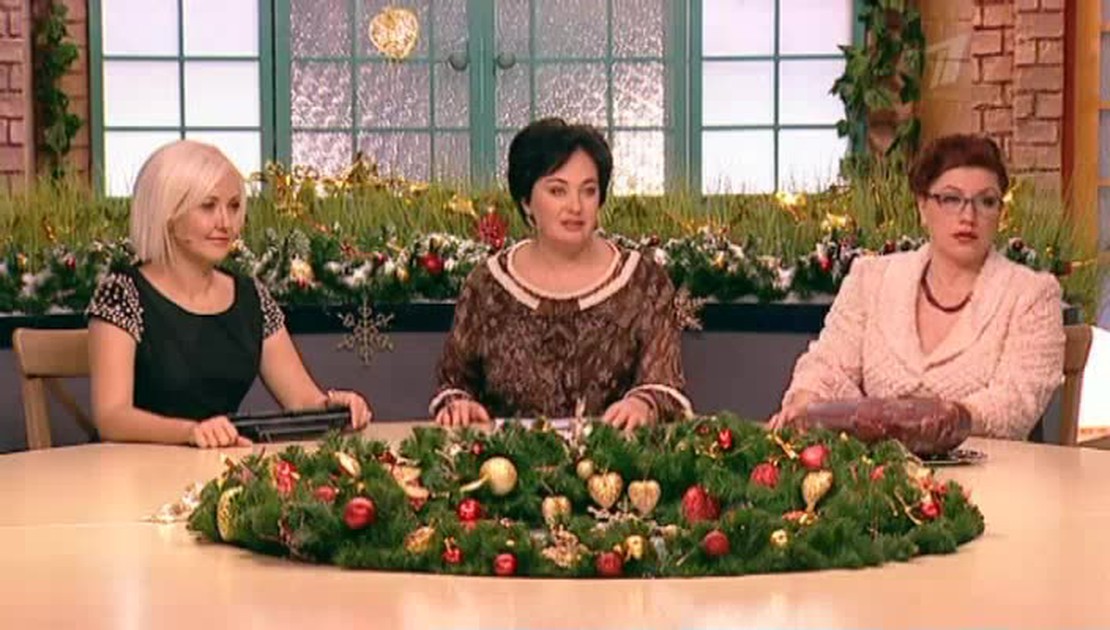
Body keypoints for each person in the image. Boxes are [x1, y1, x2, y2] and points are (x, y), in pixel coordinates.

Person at [770, 134, 1064, 440]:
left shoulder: (1032, 295)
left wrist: (945, 420)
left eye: (986, 201)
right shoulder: (871, 279)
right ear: (923, 206)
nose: (968, 216)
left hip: (988, 465)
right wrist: (806, 402)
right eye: (951, 199)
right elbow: (828, 365)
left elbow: (1015, 403)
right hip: (877, 465)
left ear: (1000, 212)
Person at [87, 140, 371, 448]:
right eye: (208, 206)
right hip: (131, 467)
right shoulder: (122, 293)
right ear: (168, 212)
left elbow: (302, 400)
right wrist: (190, 432)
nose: (226, 223)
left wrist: (334, 409)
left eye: (234, 206)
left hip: (219, 465)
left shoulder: (252, 297)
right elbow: (112, 418)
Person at [431, 118, 691, 430]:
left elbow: (664, 385)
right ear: (526, 201)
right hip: (505, 455)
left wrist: (642, 404)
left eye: (588, 191)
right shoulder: (487, 283)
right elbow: (454, 383)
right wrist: (458, 405)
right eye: (557, 190)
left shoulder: (643, 280)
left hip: (614, 455)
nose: (575, 206)